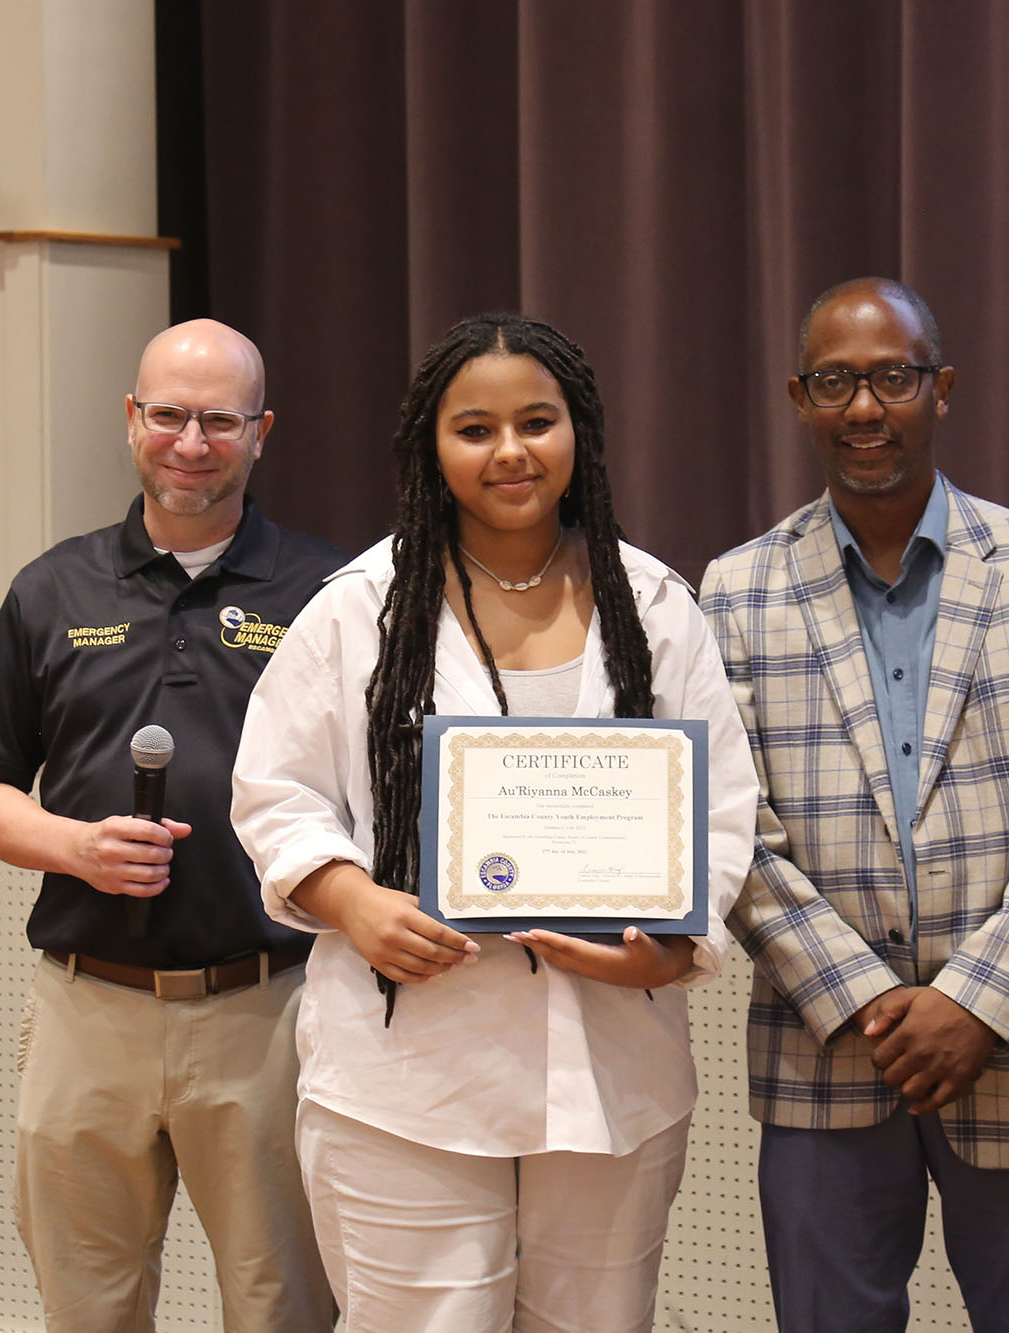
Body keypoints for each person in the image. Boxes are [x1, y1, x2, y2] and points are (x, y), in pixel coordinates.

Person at [230, 312, 758, 1332]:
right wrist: (351, 900)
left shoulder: (653, 606)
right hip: (409, 1072)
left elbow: (721, 807)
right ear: (431, 448)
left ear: (579, 433)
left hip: (614, 1065)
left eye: (536, 422)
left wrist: (672, 948)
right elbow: (274, 789)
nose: (510, 452)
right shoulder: (359, 609)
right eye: (474, 428)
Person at [699, 277, 1009, 1333]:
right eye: (835, 382)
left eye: (892, 378)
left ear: (939, 389)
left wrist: (974, 1004)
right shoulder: (731, 592)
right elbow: (726, 824)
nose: (865, 407)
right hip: (825, 1060)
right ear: (798, 398)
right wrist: (862, 998)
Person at [0, 318, 341, 1332]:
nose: (191, 441)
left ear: (262, 431)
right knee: (87, 1305)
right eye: (167, 414)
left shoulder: (330, 595)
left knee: (282, 1305)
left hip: (270, 1008)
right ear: (131, 420)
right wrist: (73, 845)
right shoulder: (52, 588)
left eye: (219, 419)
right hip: (88, 1012)